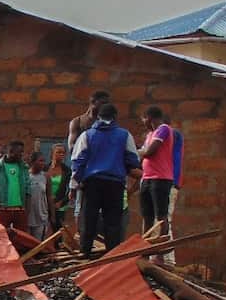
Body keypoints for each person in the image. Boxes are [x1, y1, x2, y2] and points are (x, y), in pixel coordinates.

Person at [72, 102, 142, 256]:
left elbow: (78, 160)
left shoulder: (87, 135)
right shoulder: (125, 135)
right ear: (115, 117)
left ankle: (85, 251)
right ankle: (112, 254)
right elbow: (133, 159)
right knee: (113, 220)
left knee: (89, 217)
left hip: (92, 183)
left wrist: (77, 182)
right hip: (115, 183)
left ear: (98, 117)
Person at [67, 91, 111, 218]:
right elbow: (72, 149)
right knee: (81, 209)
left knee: (101, 211)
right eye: (103, 103)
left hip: (102, 171)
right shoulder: (78, 122)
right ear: (93, 103)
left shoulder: (106, 124)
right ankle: (81, 236)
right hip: (84, 170)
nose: (106, 106)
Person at [138, 106, 176, 237]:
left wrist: (138, 152)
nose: (143, 123)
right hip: (147, 178)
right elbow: (142, 153)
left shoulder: (163, 129)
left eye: (143, 120)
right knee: (146, 215)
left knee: (161, 215)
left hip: (160, 178)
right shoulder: (150, 135)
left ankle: (161, 247)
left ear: (148, 118)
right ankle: (145, 247)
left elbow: (149, 152)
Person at [0, 140, 30, 233]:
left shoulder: (24, 167)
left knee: (21, 238)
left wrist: (26, 210)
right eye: (20, 152)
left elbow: (28, 189)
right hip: (3, 210)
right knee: (0, 238)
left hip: (20, 210)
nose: (22, 154)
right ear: (11, 152)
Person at [25, 151, 50, 241]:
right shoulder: (25, 176)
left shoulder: (45, 176)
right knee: (26, 244)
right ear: (32, 162)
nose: (43, 163)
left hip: (41, 217)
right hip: (27, 217)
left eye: (44, 161)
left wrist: (52, 216)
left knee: (38, 244)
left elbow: (49, 197)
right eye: (40, 161)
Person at [47, 143, 71, 231]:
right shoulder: (45, 168)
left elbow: (71, 190)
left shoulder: (67, 171)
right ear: (52, 153)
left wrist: (61, 202)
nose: (61, 154)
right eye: (58, 152)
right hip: (45, 205)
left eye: (63, 153)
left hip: (59, 205)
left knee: (57, 232)